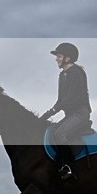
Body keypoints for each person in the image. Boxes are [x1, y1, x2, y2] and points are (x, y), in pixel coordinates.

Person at [40, 42, 92, 180]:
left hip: (80, 114)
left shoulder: (75, 73)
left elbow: (71, 99)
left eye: (59, 56)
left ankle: (70, 169)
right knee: (52, 131)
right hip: (70, 115)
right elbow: (61, 100)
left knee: (60, 133)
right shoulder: (63, 75)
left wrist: (53, 110)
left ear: (67, 58)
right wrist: (47, 114)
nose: (56, 59)